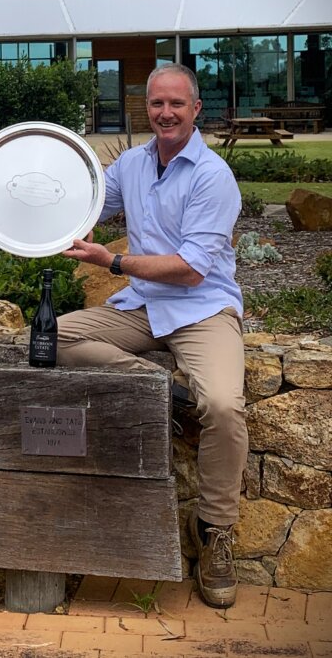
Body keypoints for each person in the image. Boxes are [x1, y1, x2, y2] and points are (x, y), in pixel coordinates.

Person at [57, 62, 246, 609]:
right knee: (52, 340)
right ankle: (162, 391)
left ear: (195, 111)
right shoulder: (134, 165)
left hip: (201, 307)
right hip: (142, 305)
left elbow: (191, 270)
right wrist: (61, 220)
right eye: (157, 104)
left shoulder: (212, 176)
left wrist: (113, 259)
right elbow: (94, 204)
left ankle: (214, 533)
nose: (164, 113)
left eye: (176, 105)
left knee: (225, 407)